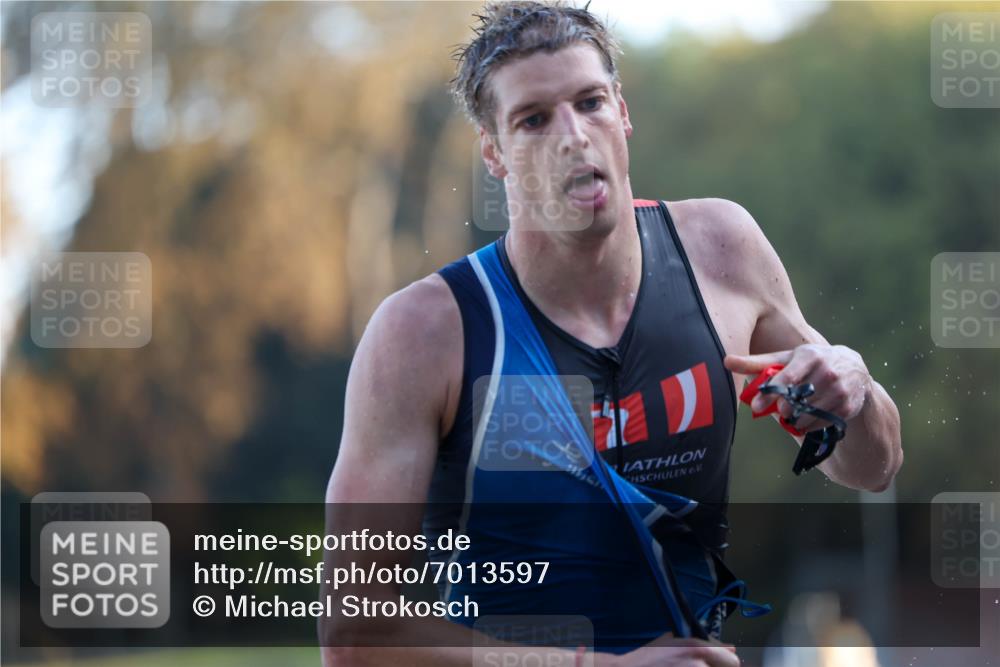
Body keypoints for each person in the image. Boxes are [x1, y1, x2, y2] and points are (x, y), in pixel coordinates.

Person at [321, 2, 903, 666]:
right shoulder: (424, 331)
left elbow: (872, 467)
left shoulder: (721, 249)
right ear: (494, 151)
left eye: (590, 102)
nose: (573, 136)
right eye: (533, 120)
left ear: (623, 111)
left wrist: (853, 385)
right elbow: (354, 634)